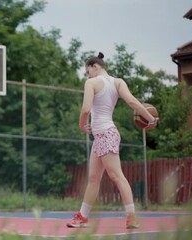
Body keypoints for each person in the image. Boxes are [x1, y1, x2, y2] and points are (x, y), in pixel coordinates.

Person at [66, 52, 158, 229]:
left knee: (117, 176)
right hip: (103, 135)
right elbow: (132, 101)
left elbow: (85, 109)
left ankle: (132, 217)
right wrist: (150, 119)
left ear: (95, 66)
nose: (87, 75)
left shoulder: (91, 83)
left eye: (87, 71)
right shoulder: (118, 82)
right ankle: (82, 217)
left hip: (106, 133)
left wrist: (81, 125)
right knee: (93, 179)